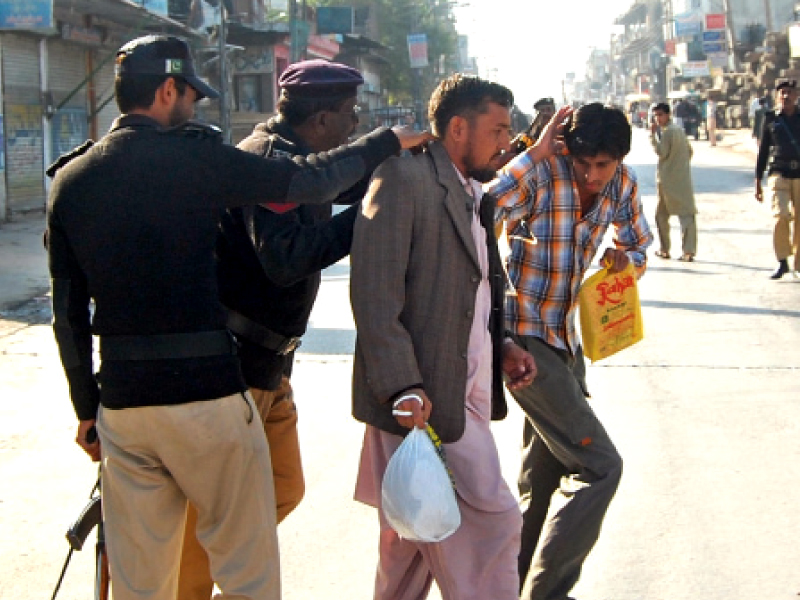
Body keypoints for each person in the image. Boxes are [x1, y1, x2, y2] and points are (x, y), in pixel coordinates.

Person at [46, 34, 430, 600]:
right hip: (208, 397)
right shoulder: (198, 159)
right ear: (168, 88)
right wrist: (387, 142)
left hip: (124, 406)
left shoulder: (71, 181)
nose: (195, 106)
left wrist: (86, 408)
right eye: (190, 95)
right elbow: (307, 182)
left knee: (139, 580)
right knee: (247, 570)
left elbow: (68, 315)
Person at [176, 58, 378, 600]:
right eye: (349, 114)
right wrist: (362, 222)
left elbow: (342, 190)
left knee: (284, 487)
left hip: (270, 366)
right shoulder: (267, 163)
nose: (354, 124)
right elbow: (283, 258)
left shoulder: (302, 161)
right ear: (320, 121)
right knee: (215, 511)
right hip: (237, 365)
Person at [350, 73, 537, 600]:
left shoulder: (473, 190)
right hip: (423, 402)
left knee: (407, 550)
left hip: (462, 393)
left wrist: (500, 347)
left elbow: (469, 290)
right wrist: (402, 386)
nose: (507, 140)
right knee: (494, 527)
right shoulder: (404, 179)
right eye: (498, 129)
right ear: (458, 127)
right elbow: (374, 293)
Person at [487, 102, 653, 600]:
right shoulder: (542, 173)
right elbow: (478, 209)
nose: (592, 175)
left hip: (566, 339)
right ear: (569, 152)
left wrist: (627, 263)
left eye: (603, 165)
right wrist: (534, 154)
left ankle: (508, 588)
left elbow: (641, 243)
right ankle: (549, 593)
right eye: (584, 164)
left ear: (619, 159)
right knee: (601, 466)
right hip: (524, 337)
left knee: (543, 478)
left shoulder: (622, 184)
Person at [756, 78, 800, 279]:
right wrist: (758, 180)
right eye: (782, 92)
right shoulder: (771, 118)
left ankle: (798, 263)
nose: (786, 96)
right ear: (777, 96)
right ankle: (782, 261)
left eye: (789, 92)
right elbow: (763, 150)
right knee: (780, 216)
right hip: (779, 173)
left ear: (796, 95)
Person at [649, 102, 698, 262]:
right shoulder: (678, 130)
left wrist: (653, 136)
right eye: (656, 115)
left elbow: (662, 152)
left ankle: (667, 249)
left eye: (660, 115)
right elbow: (689, 151)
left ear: (668, 114)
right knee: (683, 215)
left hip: (667, 180)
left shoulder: (668, 132)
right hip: (681, 179)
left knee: (664, 216)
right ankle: (686, 251)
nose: (658, 119)